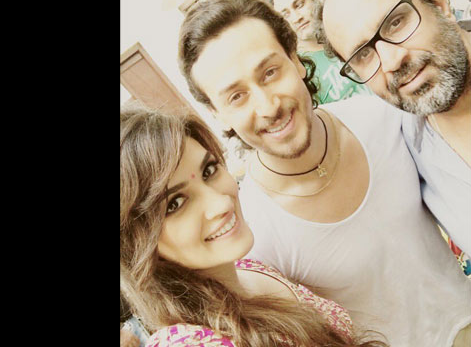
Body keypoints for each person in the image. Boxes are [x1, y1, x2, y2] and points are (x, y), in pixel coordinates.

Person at [178, 0, 471, 347]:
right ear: (217, 114)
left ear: (296, 60)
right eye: (236, 97)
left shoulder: (381, 118)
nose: (268, 107)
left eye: (270, 73)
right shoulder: (254, 234)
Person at [120, 103, 388, 347]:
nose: (221, 204)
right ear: (134, 243)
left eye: (209, 171)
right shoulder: (187, 342)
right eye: (175, 204)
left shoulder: (249, 268)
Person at [314, 0, 471, 261]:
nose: (391, 61)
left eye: (396, 22)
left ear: (437, 2)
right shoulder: (405, 148)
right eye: (363, 54)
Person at [266, 0, 373, 104]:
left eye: (299, 5)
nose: (296, 18)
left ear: (313, 0)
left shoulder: (343, 33)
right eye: (286, 15)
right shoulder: (300, 70)